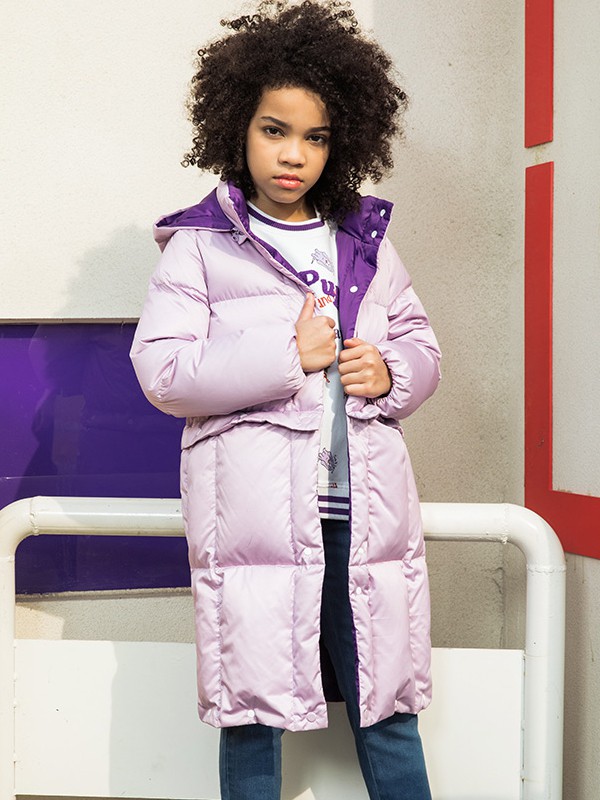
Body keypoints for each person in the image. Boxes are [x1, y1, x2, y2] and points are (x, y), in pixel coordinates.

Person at [130, 2, 441, 797]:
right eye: (274, 130)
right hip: (256, 519)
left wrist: (392, 372)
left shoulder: (364, 240)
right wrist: (285, 357)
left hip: (362, 514)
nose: (294, 154)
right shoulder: (201, 246)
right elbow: (163, 371)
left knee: (386, 706)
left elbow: (420, 343)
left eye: (316, 137)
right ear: (237, 125)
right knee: (252, 712)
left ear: (343, 143)